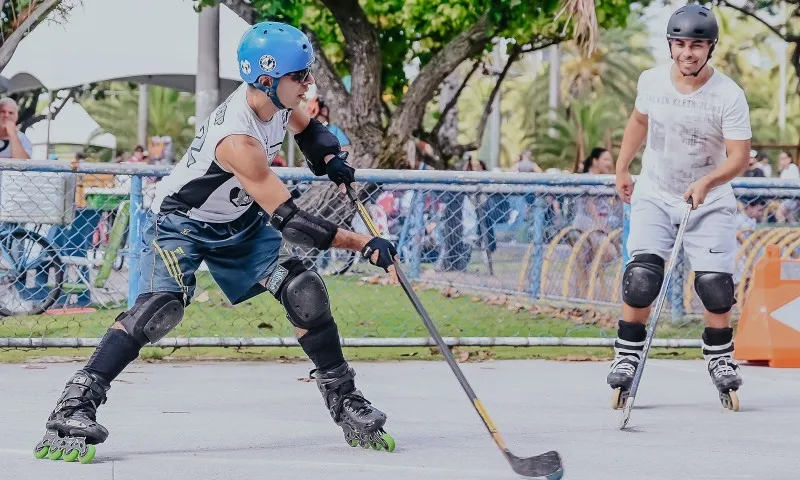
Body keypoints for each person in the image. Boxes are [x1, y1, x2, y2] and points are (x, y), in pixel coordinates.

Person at [34, 22, 398, 463]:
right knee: (159, 308)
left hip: (238, 223)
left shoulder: (280, 102)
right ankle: (74, 404)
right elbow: (292, 221)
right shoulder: (237, 140)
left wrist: (330, 158)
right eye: (299, 76)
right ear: (267, 80)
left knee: (305, 291)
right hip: (180, 222)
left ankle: (346, 400)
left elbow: (309, 130)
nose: (308, 84)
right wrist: (364, 243)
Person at [610, 5, 751, 411]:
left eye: (697, 45)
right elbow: (639, 121)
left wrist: (708, 181)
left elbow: (739, 157)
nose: (688, 52)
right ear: (670, 45)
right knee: (640, 277)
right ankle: (627, 356)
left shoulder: (728, 95)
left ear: (711, 49)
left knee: (714, 285)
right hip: (655, 191)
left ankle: (720, 359)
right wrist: (623, 166)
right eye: (681, 44)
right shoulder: (651, 81)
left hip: (711, 197)